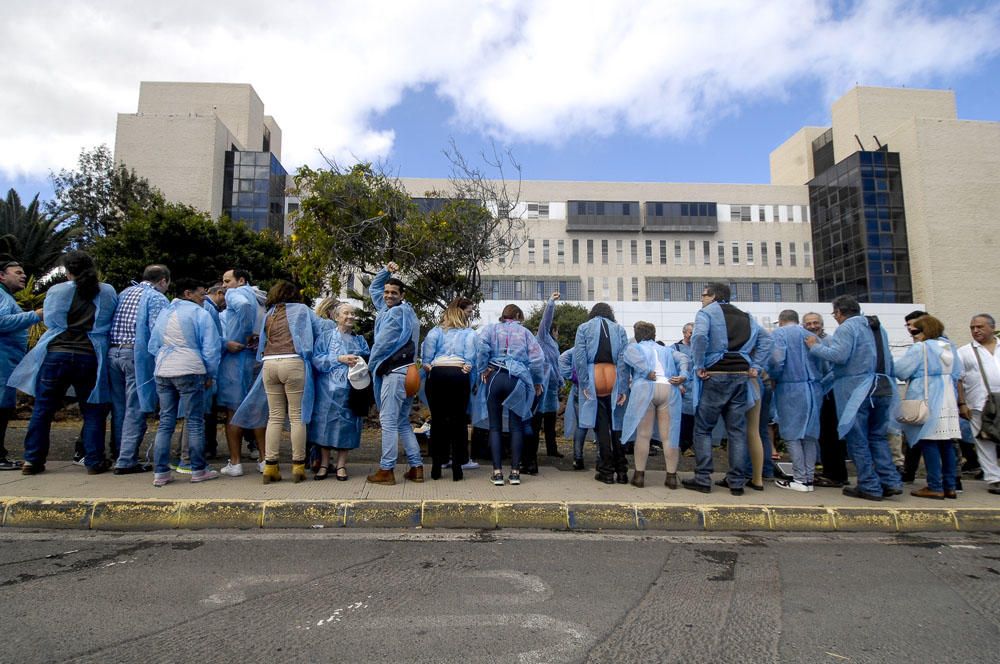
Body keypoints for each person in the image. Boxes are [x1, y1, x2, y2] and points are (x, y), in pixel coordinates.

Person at [10, 251, 117, 475]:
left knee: (43, 408)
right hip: (90, 354)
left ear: (68, 271)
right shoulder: (107, 291)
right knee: (93, 410)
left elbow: (50, 320)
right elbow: (110, 319)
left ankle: (32, 460)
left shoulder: (57, 291)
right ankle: (94, 460)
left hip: (57, 353)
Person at [806, 295, 903, 501]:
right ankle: (889, 481)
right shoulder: (878, 328)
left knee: (857, 439)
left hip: (858, 390)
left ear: (839, 313)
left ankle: (869, 485)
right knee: (877, 437)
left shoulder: (847, 328)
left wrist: (815, 346)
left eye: (835, 314)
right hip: (884, 387)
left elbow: (839, 355)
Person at [682, 283, 771, 495]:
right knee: (737, 431)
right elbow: (767, 340)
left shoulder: (706, 313)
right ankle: (736, 482)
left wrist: (699, 364)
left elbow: (700, 337)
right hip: (741, 377)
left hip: (715, 375)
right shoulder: (746, 316)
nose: (701, 300)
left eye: (703, 295)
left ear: (713, 296)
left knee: (703, 428)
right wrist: (755, 366)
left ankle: (703, 478)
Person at [232, 281, 323, 483]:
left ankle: (270, 466)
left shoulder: (270, 313)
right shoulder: (302, 310)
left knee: (274, 417)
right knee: (296, 416)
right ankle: (298, 466)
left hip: (269, 364)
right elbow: (320, 329)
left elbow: (263, 341)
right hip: (293, 362)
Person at [146, 278, 221, 486]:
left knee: (165, 421)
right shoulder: (200, 313)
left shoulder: (164, 313)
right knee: (195, 421)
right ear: (188, 293)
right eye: (200, 293)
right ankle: (198, 469)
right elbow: (211, 348)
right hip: (190, 368)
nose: (203, 297)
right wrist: (210, 374)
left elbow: (153, 344)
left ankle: (160, 473)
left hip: (163, 369)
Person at [366, 262, 424, 486]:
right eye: (387, 292)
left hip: (395, 373)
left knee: (388, 421)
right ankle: (416, 467)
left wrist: (371, 367)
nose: (388, 296)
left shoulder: (393, 315)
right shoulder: (407, 311)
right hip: (410, 373)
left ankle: (386, 469)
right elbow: (374, 290)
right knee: (402, 422)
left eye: (393, 293)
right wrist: (386, 272)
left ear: (402, 295)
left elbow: (382, 344)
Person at [109, 264, 170, 474]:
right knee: (136, 407)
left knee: (119, 407)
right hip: (135, 355)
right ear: (163, 281)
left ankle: (118, 453)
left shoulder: (124, 292)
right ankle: (126, 460)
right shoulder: (157, 298)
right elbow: (158, 332)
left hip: (113, 352)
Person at [475, 304, 545, 486]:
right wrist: (537, 381)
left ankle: (497, 473)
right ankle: (515, 473)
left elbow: (481, 348)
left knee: (495, 427)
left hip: (495, 376)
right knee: (516, 427)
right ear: (517, 315)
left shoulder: (491, 329)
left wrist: (483, 369)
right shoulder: (525, 333)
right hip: (518, 379)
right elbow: (538, 359)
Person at [895, 315, 962, 499]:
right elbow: (958, 373)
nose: (912, 334)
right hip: (948, 397)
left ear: (926, 331)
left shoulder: (921, 348)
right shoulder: (949, 347)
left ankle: (935, 485)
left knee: (929, 440)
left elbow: (901, 370)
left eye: (916, 331)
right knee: (947, 442)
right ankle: (950, 486)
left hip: (927, 397)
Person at [621, 321, 687, 488]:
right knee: (669, 436)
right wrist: (683, 375)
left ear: (637, 335)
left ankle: (639, 476)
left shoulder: (634, 347)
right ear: (654, 335)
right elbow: (684, 358)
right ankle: (671, 477)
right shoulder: (667, 349)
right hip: (669, 387)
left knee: (643, 435)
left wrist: (645, 370)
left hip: (644, 387)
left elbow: (629, 358)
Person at [310, 302, 369, 480]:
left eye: (352, 314)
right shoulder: (326, 337)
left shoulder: (360, 340)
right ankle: (324, 464)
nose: (350, 316)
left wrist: (359, 360)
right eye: (346, 313)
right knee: (324, 423)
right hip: (327, 388)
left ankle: (342, 465)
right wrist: (339, 358)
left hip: (352, 388)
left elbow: (367, 358)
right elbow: (317, 359)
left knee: (348, 425)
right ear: (337, 317)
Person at [422, 299, 477, 481]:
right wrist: (467, 366)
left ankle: (437, 465)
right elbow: (471, 355)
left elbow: (427, 357)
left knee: (438, 421)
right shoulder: (469, 333)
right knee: (459, 421)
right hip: (458, 373)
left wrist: (430, 366)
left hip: (438, 373)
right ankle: (457, 466)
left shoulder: (436, 331)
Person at [575, 303, 629, 485]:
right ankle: (622, 471)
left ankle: (606, 471)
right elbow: (623, 358)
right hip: (613, 376)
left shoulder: (583, 328)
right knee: (617, 426)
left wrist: (583, 382)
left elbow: (580, 358)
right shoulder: (619, 329)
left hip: (594, 377)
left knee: (602, 428)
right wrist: (622, 387)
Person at [769, 310, 823, 492]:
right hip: (814, 388)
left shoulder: (779, 334)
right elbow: (823, 363)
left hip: (790, 388)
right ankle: (809, 478)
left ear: (781, 321)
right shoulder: (811, 336)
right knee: (810, 435)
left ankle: (799, 479)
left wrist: (773, 377)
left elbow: (777, 360)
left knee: (792, 434)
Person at [218, 269, 264, 477]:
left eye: (228, 281)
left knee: (233, 412)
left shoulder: (236, 296)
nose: (224, 285)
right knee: (258, 411)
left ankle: (235, 462)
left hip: (236, 358)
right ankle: (264, 459)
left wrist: (243, 334)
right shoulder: (260, 299)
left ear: (241, 280)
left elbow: (243, 307)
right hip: (256, 358)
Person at [0, 256, 43, 470]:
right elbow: (1, 322)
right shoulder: (1, 295)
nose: (23, 275)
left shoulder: (6, 297)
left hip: (7, 363)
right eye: (17, 272)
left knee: (4, 408)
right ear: (1, 275)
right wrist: (35, 315)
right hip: (1, 362)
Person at [803, 311, 848, 487]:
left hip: (829, 393)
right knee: (823, 434)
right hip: (818, 393)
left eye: (816, 322)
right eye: (809, 323)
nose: (813, 326)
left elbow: (834, 368)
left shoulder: (829, 341)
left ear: (822, 324)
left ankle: (835, 474)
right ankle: (830, 470)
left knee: (831, 434)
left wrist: (820, 385)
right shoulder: (807, 342)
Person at [957, 313, 1000, 495]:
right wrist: (962, 403)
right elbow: (958, 379)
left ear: (992, 327)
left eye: (980, 327)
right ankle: (994, 479)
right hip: (978, 404)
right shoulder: (964, 351)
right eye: (972, 327)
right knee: (984, 442)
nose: (975, 331)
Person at [523, 292, 563, 474]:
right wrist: (551, 303)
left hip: (552, 387)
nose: (557, 333)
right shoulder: (543, 338)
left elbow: (556, 365)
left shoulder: (554, 345)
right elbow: (545, 322)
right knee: (536, 422)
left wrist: (561, 381)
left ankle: (552, 450)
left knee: (550, 421)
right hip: (542, 386)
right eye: (556, 330)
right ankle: (532, 457)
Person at [671, 323, 696, 453]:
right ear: (684, 333)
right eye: (691, 333)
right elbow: (671, 368)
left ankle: (691, 444)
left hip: (695, 388)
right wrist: (678, 384)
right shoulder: (675, 348)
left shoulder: (698, 348)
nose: (692, 336)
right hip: (682, 388)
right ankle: (683, 445)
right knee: (682, 418)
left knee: (694, 418)